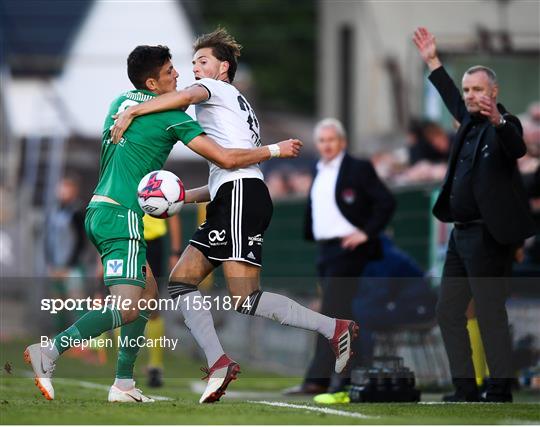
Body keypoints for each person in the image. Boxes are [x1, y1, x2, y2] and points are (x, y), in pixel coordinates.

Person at [24, 44, 302, 403]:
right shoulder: (172, 117)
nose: (179, 76)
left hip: (100, 209)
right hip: (121, 216)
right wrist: (274, 150)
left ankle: (123, 384)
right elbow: (226, 158)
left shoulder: (121, 102)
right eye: (171, 71)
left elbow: (148, 123)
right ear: (154, 83)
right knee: (127, 306)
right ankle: (49, 351)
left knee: (147, 297)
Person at [111, 28, 359, 404]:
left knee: (244, 296)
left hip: (242, 197)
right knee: (181, 282)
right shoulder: (230, 108)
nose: (195, 68)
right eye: (193, 62)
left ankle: (333, 328)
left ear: (224, 68)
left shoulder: (219, 90)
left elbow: (188, 102)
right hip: (231, 196)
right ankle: (219, 363)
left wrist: (134, 109)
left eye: (203, 61)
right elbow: (225, 174)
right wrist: (180, 198)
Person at [413, 27, 536, 402]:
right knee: (448, 310)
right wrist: (432, 60)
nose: (470, 96)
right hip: (459, 234)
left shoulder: (505, 124)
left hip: (488, 236)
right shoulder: (465, 122)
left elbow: (517, 148)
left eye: (477, 90)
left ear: (493, 93)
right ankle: (465, 386)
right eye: (467, 90)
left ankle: (499, 386)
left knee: (489, 310)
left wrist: (498, 119)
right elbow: (448, 93)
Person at [284, 118, 395, 397]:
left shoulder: (358, 168)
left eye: (331, 140)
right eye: (322, 141)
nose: (327, 145)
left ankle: (318, 379)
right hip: (326, 251)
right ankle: (352, 375)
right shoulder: (317, 168)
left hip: (349, 251)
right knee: (343, 316)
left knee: (329, 314)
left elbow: (386, 202)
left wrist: (365, 233)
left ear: (342, 142)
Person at [44, 175, 86, 330]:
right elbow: (48, 238)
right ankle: (58, 337)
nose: (63, 191)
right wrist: (50, 263)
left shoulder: (78, 211)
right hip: (55, 265)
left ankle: (84, 340)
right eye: (62, 187)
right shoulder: (53, 210)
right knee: (57, 303)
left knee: (77, 301)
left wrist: (69, 265)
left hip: (72, 266)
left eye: (67, 188)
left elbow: (81, 241)